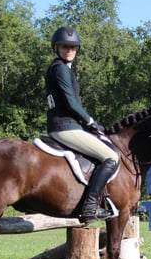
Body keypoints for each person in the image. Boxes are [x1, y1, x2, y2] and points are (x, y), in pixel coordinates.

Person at [45, 26, 119, 224]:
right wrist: (90, 121)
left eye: (73, 47)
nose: (70, 50)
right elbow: (71, 103)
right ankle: (89, 205)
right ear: (57, 47)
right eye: (65, 46)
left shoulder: (60, 68)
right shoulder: (60, 68)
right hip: (65, 127)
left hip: (65, 125)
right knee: (111, 156)